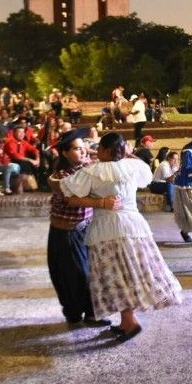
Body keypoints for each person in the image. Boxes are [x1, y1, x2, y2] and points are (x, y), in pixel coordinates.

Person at [54, 132, 183, 342]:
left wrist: (99, 202)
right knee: (132, 272)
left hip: (107, 228)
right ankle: (126, 321)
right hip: (134, 226)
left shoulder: (92, 171)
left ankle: (129, 322)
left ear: (103, 150)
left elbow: (69, 196)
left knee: (116, 276)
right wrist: (128, 155)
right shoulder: (132, 167)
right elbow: (146, 175)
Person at [46, 129, 113, 327]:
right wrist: (101, 202)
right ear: (65, 153)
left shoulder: (86, 168)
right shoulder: (62, 175)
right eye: (77, 149)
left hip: (84, 229)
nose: (83, 152)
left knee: (88, 273)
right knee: (74, 275)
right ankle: (78, 313)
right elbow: (71, 200)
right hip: (66, 232)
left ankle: (85, 313)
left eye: (84, 148)